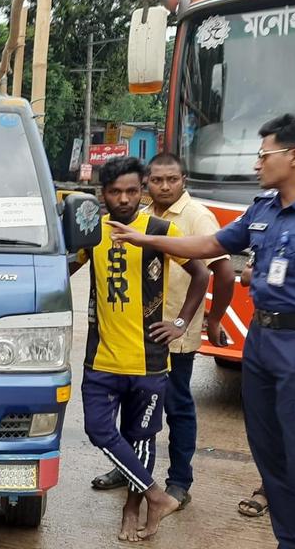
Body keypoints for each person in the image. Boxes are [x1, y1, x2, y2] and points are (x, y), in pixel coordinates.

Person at [109, 114, 295, 549]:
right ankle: (290, 543)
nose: (256, 163)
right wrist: (147, 240)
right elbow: (210, 246)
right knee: (270, 459)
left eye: (263, 154)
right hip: (262, 344)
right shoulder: (263, 210)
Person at [69, 156, 211, 542]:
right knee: (98, 430)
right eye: (115, 192)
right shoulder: (90, 232)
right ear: (103, 195)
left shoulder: (160, 230)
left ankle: (132, 511)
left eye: (133, 190)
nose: (125, 199)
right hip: (101, 358)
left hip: (148, 361)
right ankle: (155, 494)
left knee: (141, 438)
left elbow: (203, 272)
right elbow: (65, 268)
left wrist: (180, 322)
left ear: (142, 188)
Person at [89, 153, 236, 510]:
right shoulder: (106, 226)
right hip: (123, 338)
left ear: (182, 180)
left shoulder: (187, 220)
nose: (164, 186)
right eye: (157, 180)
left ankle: (177, 482)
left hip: (167, 337)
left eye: (171, 180)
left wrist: (191, 322)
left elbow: (215, 272)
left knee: (175, 409)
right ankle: (131, 472)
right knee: (132, 416)